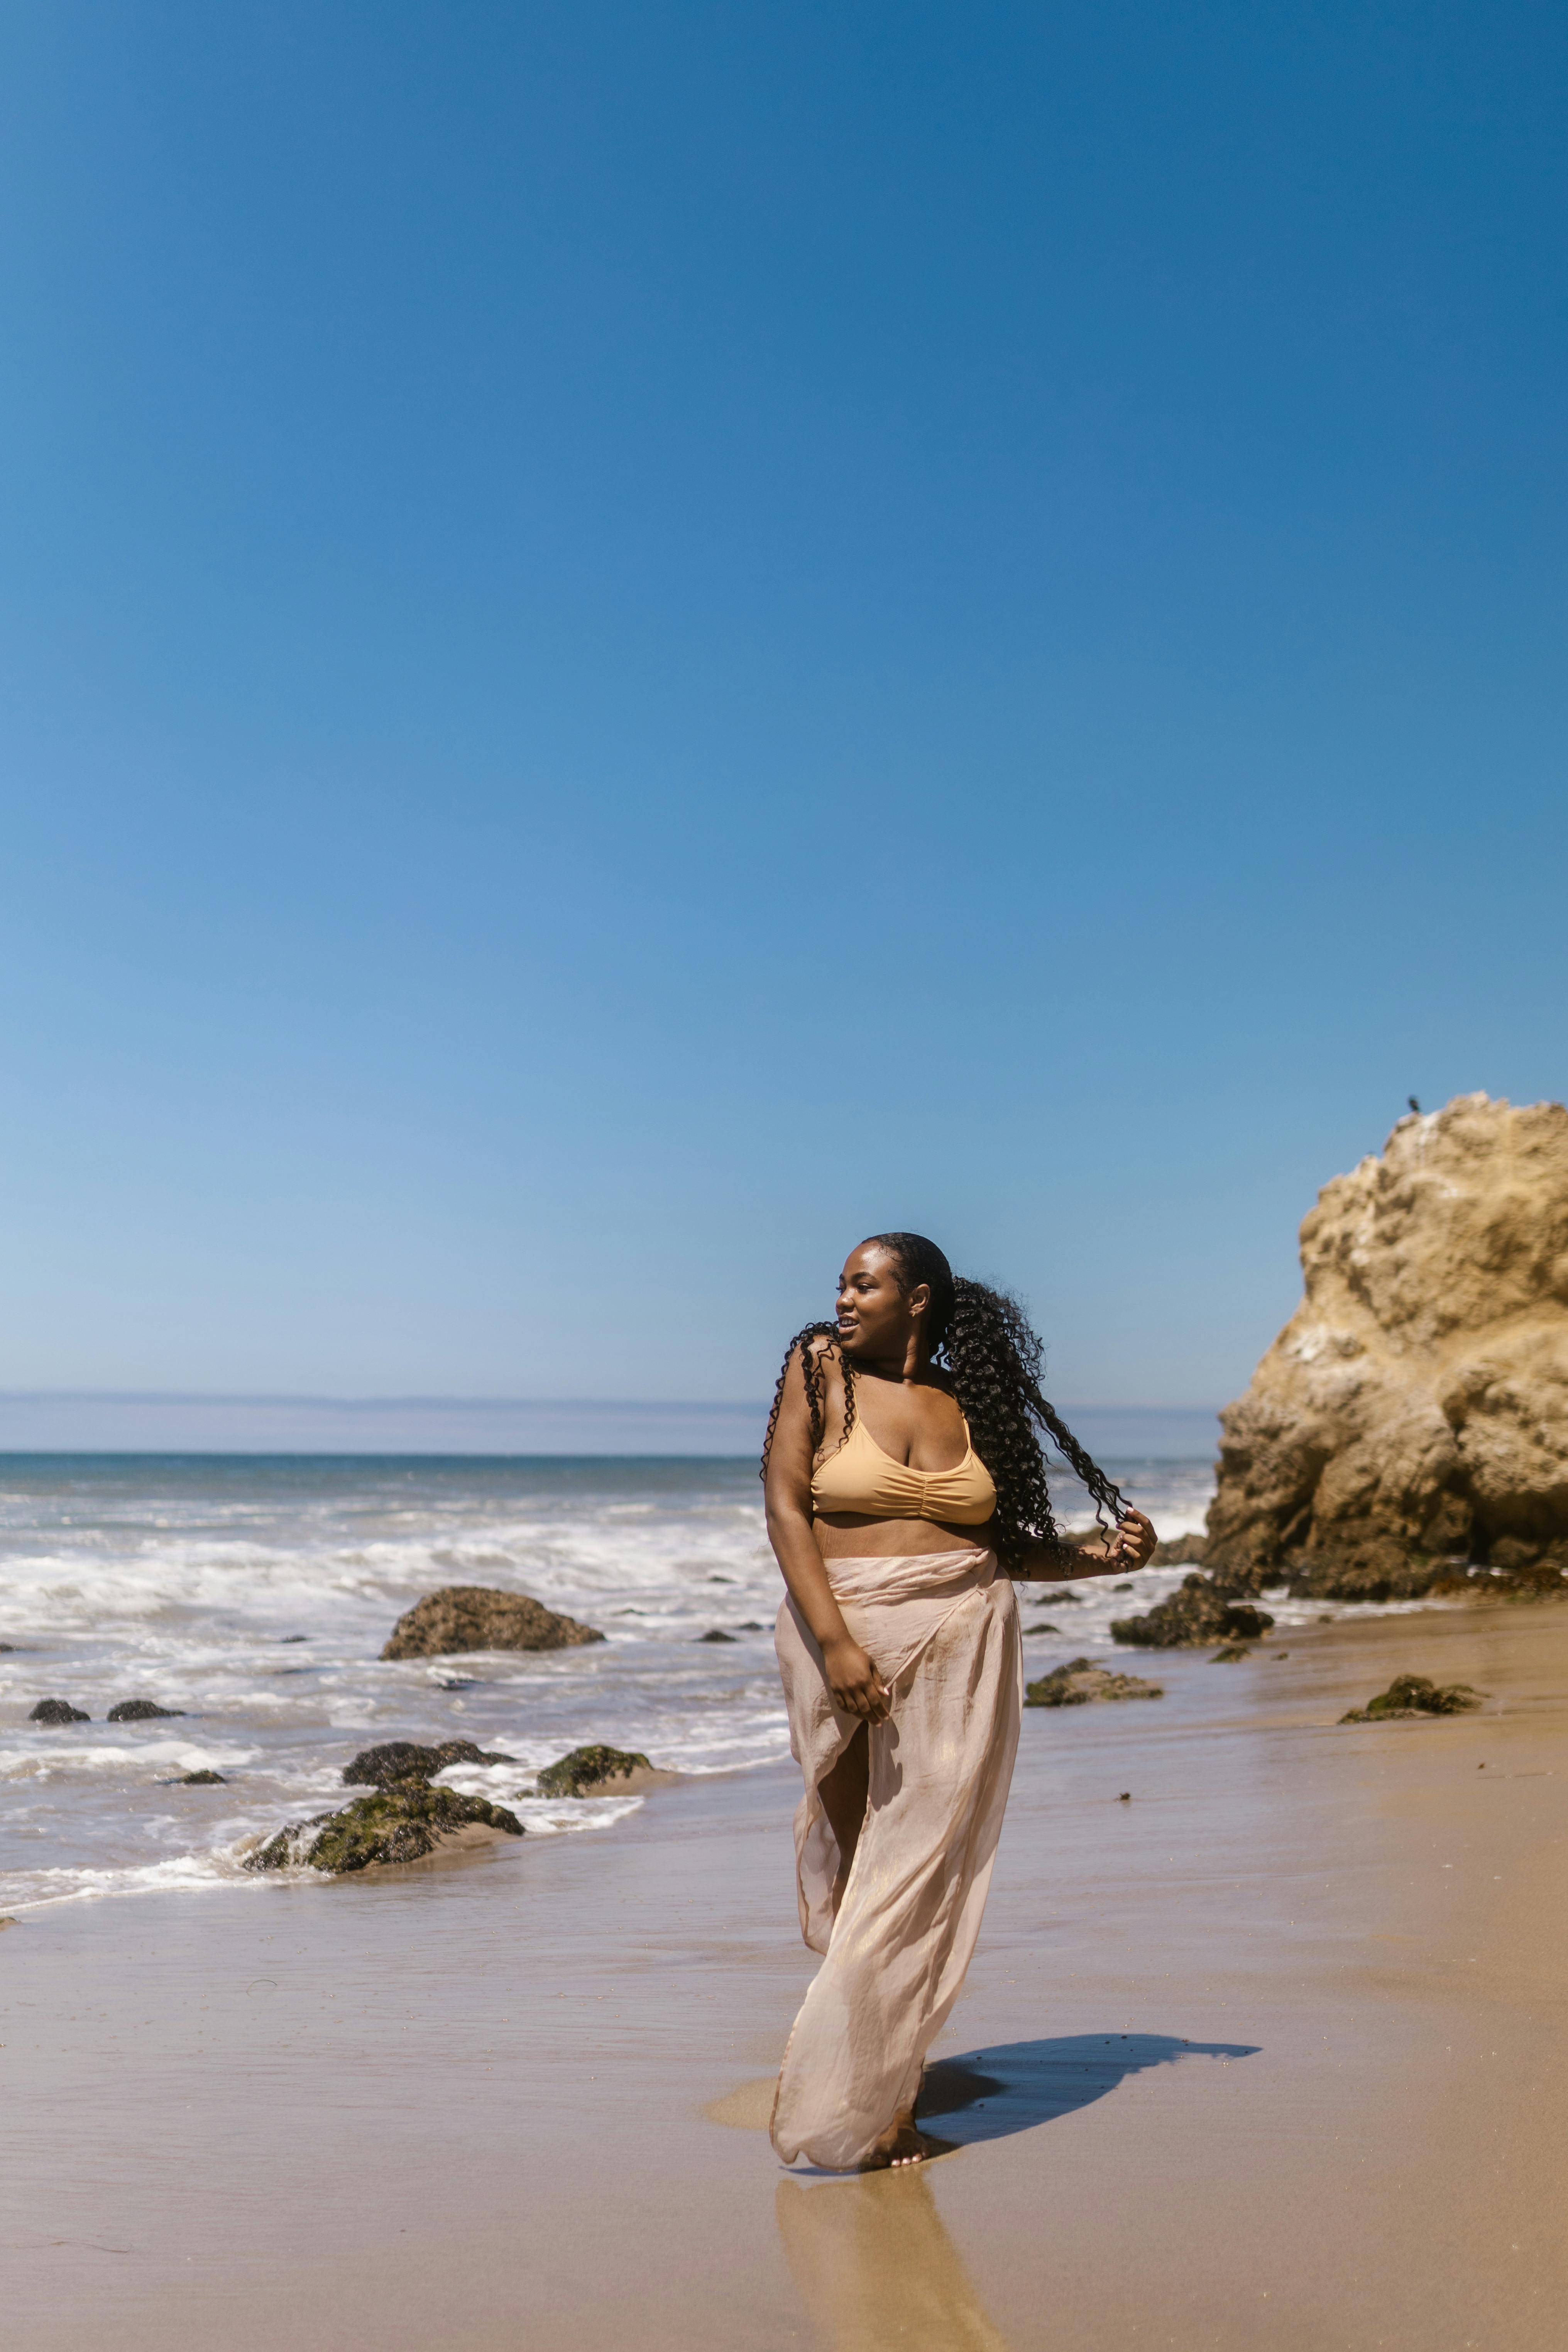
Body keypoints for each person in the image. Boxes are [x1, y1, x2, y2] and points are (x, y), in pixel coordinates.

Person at [762, 1232, 1156, 2172]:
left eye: (866, 1282)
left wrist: (1105, 1557)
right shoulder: (818, 1367)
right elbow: (785, 1508)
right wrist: (838, 1644)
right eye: (843, 1283)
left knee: (919, 1870)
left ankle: (880, 2095)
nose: (845, 1297)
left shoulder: (970, 1395)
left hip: (962, 1645)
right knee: (867, 1860)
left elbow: (1004, 1546)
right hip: (843, 1639)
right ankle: (863, 2072)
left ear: (922, 1297)